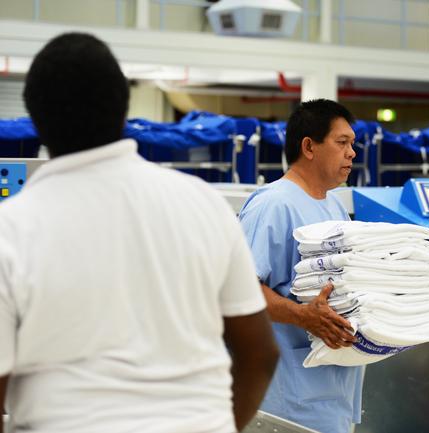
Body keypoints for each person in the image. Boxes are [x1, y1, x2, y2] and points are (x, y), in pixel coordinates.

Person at [0, 32, 278, 433]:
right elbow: (260, 354)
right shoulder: (204, 205)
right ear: (123, 107)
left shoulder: (13, 230)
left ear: (36, 123)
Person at [238, 99, 363, 433]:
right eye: (342, 143)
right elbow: (239, 290)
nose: (352, 153)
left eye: (353, 144)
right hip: (286, 395)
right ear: (309, 146)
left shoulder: (334, 206)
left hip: (332, 388)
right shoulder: (273, 204)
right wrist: (302, 316)